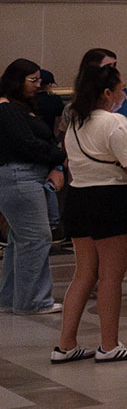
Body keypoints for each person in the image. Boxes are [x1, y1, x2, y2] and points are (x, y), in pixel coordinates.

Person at [54, 54, 127, 363]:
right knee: (111, 277)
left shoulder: (75, 121)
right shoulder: (115, 121)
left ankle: (66, 344)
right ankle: (109, 344)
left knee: (84, 274)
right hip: (114, 201)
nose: (124, 93)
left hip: (80, 200)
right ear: (107, 93)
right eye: (121, 89)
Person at [0, 58, 66, 315]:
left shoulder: (20, 107)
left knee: (21, 239)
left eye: (40, 80)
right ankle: (33, 301)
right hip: (19, 176)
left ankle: (11, 296)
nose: (39, 85)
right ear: (17, 81)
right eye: (33, 80)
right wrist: (59, 158)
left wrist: (55, 164)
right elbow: (27, 144)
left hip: (28, 175)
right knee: (37, 237)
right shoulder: (6, 109)